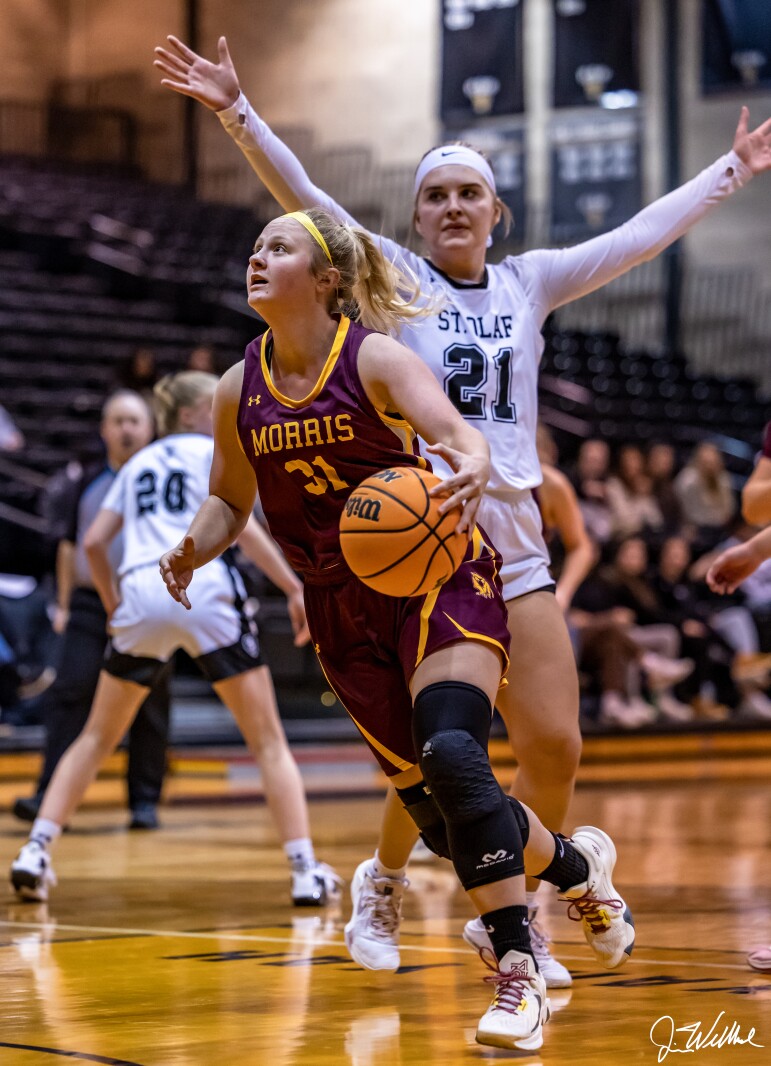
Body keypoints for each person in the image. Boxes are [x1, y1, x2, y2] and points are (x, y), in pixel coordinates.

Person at [153, 32, 770, 981]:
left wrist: (732, 169)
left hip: (512, 533)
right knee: (444, 746)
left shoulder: (531, 281)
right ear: (415, 213)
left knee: (553, 744)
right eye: (435, 194)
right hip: (418, 535)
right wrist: (237, 111)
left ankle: (511, 912)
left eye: (467, 193)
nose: (451, 206)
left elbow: (639, 235)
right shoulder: (394, 280)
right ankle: (392, 881)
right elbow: (302, 196)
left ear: (494, 211)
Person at [156, 207, 635, 1052]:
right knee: (448, 824)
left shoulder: (374, 358)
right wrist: (195, 544)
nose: (257, 256)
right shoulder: (238, 387)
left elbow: (455, 435)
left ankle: (516, 973)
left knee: (454, 755)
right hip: (340, 608)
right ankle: (572, 865)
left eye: (278, 247)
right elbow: (231, 498)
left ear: (326, 279)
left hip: (435, 578)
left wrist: (474, 462)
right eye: (255, 246)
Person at [10, 371, 339, 910]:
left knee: (95, 737)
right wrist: (292, 587)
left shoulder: (137, 463)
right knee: (267, 741)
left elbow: (93, 542)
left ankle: (36, 850)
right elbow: (241, 529)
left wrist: (115, 604)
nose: (229, 412)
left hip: (141, 588)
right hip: (201, 583)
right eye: (216, 405)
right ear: (190, 414)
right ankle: (305, 870)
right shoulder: (212, 452)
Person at [11, 390, 171, 830]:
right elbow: (69, 545)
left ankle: (144, 802)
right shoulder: (85, 481)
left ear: (150, 429)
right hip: (89, 602)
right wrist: (63, 604)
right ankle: (48, 794)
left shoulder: (165, 479)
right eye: (118, 421)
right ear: (104, 430)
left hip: (145, 602)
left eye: (134, 421)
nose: (126, 429)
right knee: (70, 693)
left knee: (151, 701)